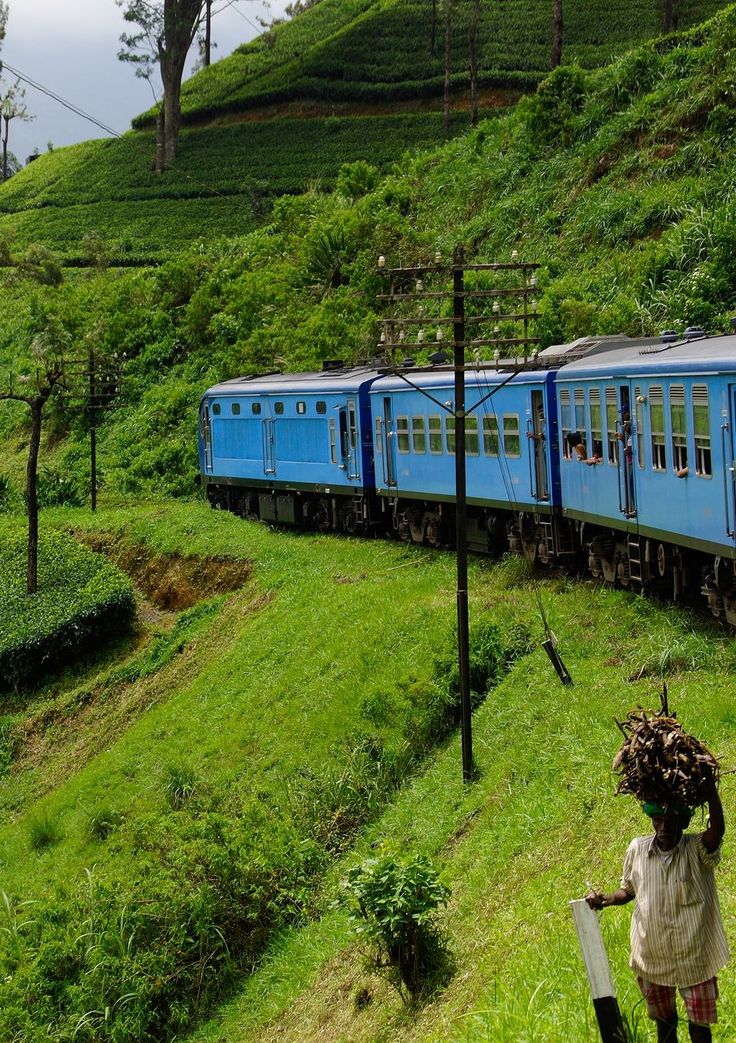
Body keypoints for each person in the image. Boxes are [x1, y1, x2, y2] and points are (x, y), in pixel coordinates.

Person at [586, 783, 727, 1043]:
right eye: (657, 821)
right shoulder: (638, 849)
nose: (663, 828)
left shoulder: (696, 848)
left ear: (683, 823)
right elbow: (628, 890)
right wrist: (608, 899)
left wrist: (710, 790)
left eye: (670, 821)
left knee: (700, 1029)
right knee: (665, 1025)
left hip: (696, 957)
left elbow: (717, 831)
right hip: (653, 957)